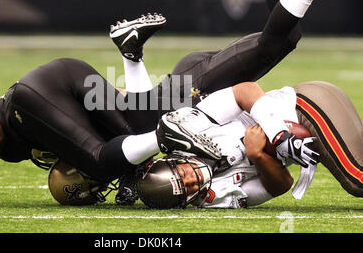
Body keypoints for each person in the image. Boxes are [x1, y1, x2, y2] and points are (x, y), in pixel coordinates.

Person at [0, 0, 362, 205]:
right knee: (276, 40)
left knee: (268, 49)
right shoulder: (56, 120)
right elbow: (131, 107)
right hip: (116, 86)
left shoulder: (7, 118)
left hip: (179, 92)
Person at [139, 79, 362, 209]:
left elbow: (246, 90)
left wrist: (278, 136)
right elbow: (280, 185)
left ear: (174, 160)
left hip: (304, 106)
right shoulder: (214, 197)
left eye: (183, 175)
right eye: (186, 189)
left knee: (357, 180)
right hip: (306, 139)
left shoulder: (192, 128)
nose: (193, 181)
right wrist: (258, 156)